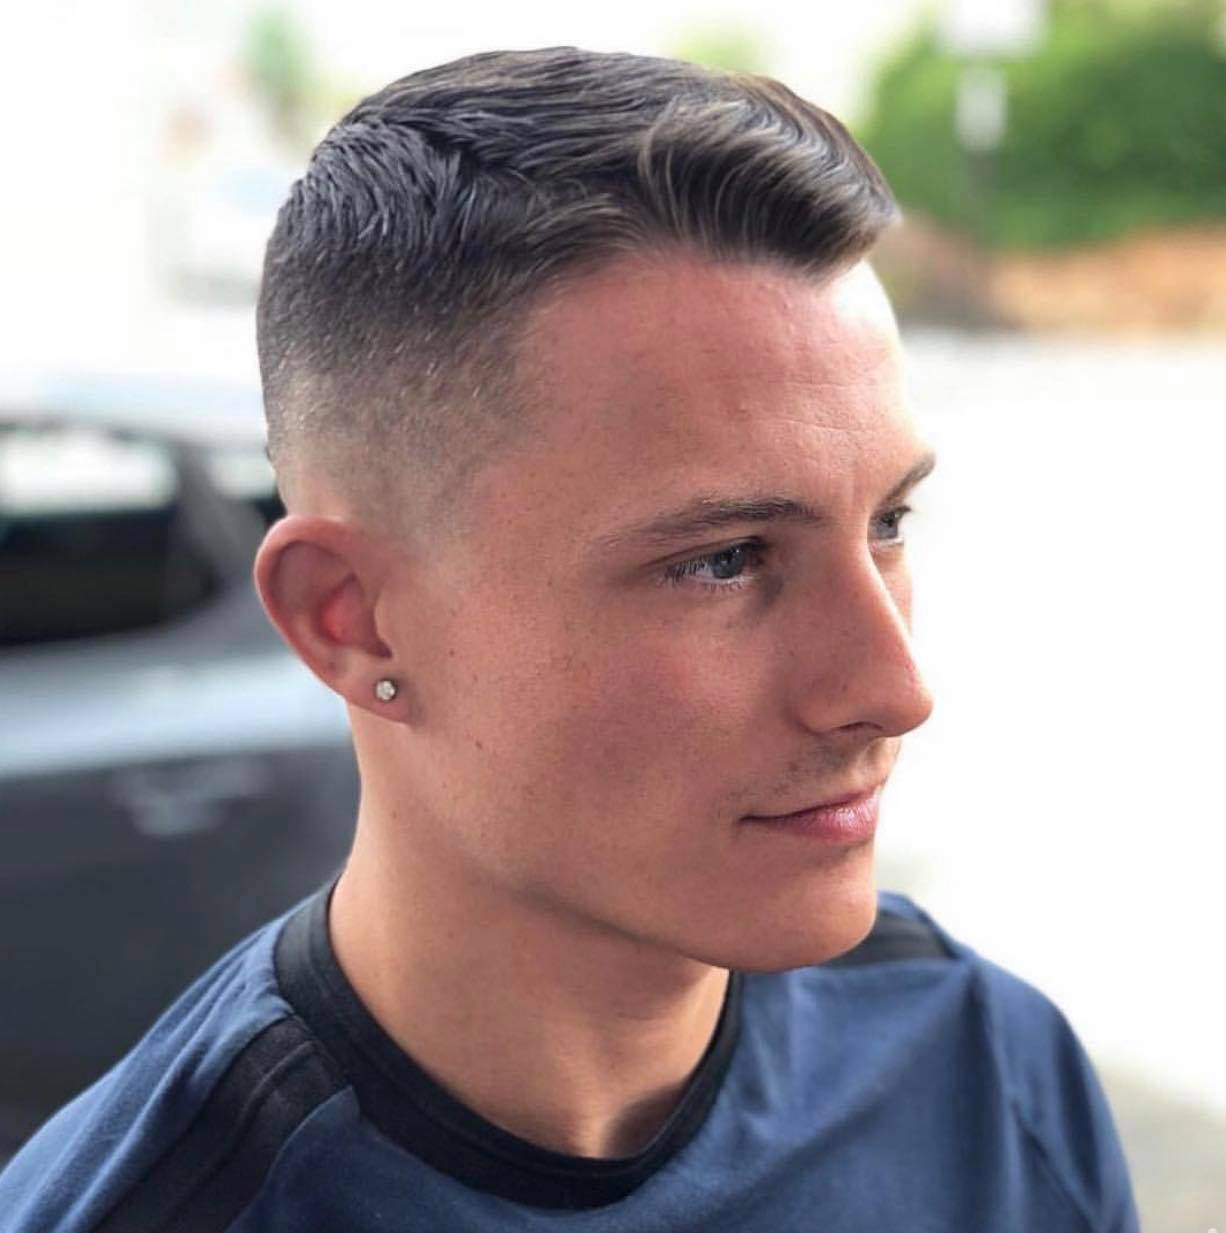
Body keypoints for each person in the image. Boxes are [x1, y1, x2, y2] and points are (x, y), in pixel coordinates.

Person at [0, 47, 1139, 1231]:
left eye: (887, 522)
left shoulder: (983, 1073)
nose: (894, 689)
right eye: (723, 558)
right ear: (352, 619)